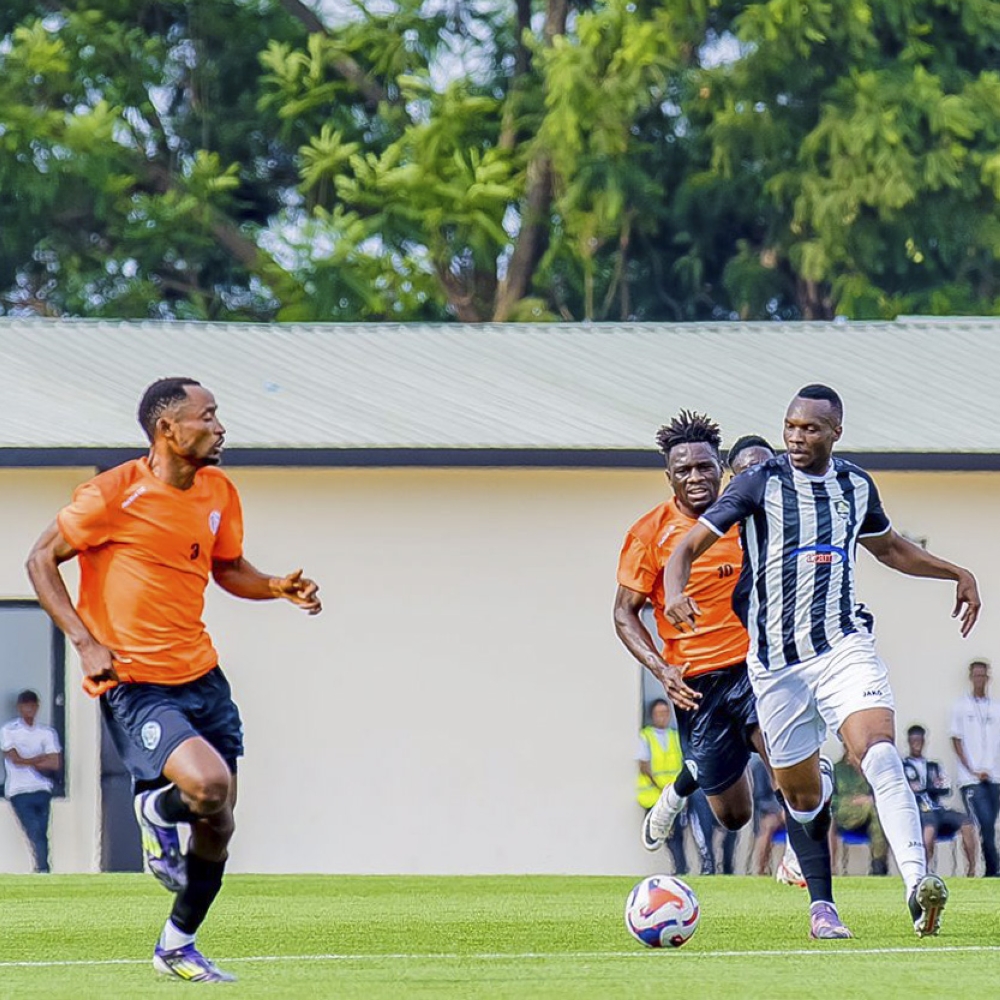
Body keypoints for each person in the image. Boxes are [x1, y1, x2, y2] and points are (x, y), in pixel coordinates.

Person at [25, 377, 322, 983]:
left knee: (219, 822)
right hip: (136, 682)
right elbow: (39, 560)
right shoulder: (110, 495)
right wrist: (85, 644)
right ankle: (155, 810)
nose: (219, 427)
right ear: (168, 428)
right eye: (207, 416)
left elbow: (226, 566)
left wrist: (273, 587)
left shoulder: (218, 490)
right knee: (207, 787)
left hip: (202, 676)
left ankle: (176, 945)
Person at [664, 383, 982, 936]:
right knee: (803, 797)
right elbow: (688, 545)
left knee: (879, 752)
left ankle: (917, 885)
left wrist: (956, 572)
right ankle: (822, 909)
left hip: (842, 647)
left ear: (836, 431)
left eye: (809, 429)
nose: (795, 437)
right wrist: (674, 590)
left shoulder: (855, 485)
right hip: (777, 669)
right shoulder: (758, 484)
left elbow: (891, 548)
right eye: (790, 426)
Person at [614, 412, 847, 938]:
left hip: (759, 668)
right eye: (684, 470)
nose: (696, 478)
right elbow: (623, 612)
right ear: (668, 477)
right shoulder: (649, 533)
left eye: (704, 467)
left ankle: (822, 906)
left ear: (720, 469)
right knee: (734, 814)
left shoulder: (748, 515)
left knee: (794, 780)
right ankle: (687, 781)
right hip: (696, 685)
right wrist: (661, 667)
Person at [903, 724, 976, 877]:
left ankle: (972, 870)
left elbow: (945, 787)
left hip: (938, 809)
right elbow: (907, 791)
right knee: (928, 828)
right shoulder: (904, 766)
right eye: (914, 740)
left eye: (920, 740)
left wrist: (926, 788)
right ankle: (923, 873)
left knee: (967, 822)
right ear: (909, 741)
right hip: (920, 811)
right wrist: (929, 787)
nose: (917, 743)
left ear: (924, 741)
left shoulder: (933, 766)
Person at [1, 690, 61, 873]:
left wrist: (28, 761)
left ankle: (42, 867)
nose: (29, 709)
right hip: (19, 790)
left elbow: (55, 762)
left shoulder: (46, 732)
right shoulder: (9, 731)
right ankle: (42, 867)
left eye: (32, 705)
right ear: (20, 707)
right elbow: (15, 759)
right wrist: (39, 759)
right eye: (25, 705)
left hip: (42, 788)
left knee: (42, 831)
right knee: (34, 830)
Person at [950, 661, 1000, 877]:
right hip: (971, 780)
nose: (979, 679)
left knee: (990, 826)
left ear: (988, 678)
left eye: (983, 675)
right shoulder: (960, 706)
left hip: (995, 777)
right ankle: (993, 869)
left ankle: (991, 870)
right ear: (971, 677)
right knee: (985, 823)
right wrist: (972, 769)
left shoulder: (996, 707)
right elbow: (956, 740)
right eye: (976, 675)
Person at [636, 699, 689, 874]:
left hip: (675, 796)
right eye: (659, 713)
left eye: (666, 713)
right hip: (654, 796)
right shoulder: (646, 736)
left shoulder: (675, 736)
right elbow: (644, 766)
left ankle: (680, 870)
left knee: (677, 836)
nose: (663, 717)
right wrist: (662, 790)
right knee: (664, 833)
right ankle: (679, 870)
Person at [832, 751, 889, 875]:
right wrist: (849, 801)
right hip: (843, 812)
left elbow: (879, 791)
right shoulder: (837, 770)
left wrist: (869, 799)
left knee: (877, 811)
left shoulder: (868, 770)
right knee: (873, 808)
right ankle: (879, 864)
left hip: (867, 814)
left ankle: (878, 864)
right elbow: (831, 798)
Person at [749, 752, 789, 877]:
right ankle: (760, 869)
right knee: (769, 825)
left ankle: (796, 867)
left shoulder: (788, 762)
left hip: (789, 809)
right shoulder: (759, 765)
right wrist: (779, 810)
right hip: (767, 813)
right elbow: (760, 798)